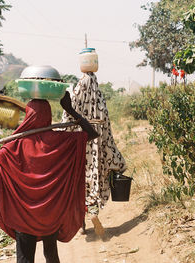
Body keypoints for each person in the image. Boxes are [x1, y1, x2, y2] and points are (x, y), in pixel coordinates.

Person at [0, 91, 99, 263]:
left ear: (27, 117)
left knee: (25, 259)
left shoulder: (14, 146)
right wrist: (71, 110)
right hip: (51, 214)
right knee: (51, 255)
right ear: (48, 116)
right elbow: (91, 134)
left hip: (23, 216)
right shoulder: (61, 140)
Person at [61, 72, 127, 237]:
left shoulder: (75, 98)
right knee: (94, 180)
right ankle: (93, 211)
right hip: (97, 151)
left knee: (77, 183)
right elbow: (108, 133)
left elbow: (65, 122)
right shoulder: (100, 101)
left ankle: (81, 224)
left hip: (78, 147)